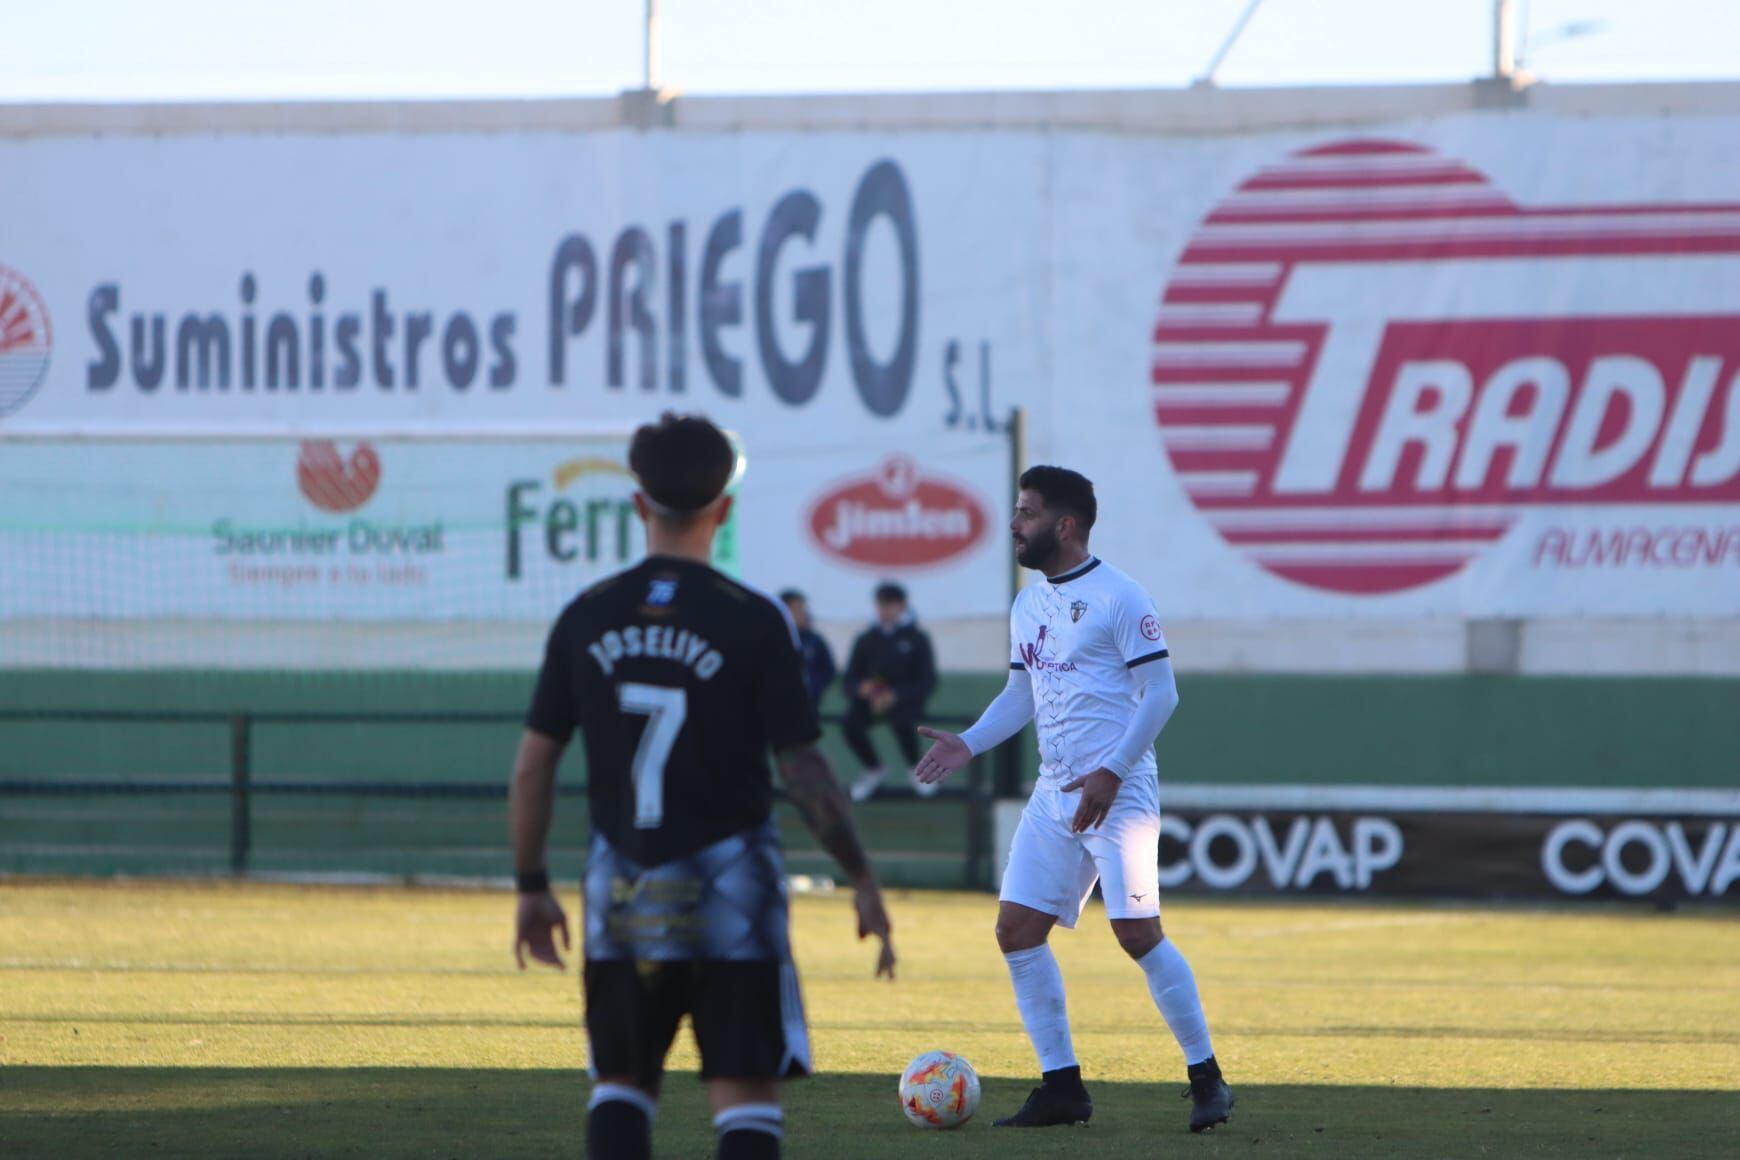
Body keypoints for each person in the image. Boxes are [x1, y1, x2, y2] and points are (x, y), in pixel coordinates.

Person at [509, 413, 896, 1160]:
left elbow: (533, 765)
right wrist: (860, 875)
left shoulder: (585, 618)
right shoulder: (755, 621)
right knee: (746, 1099)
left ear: (637, 504)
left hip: (622, 886)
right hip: (734, 895)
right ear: (724, 509)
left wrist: (530, 884)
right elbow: (805, 768)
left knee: (620, 1086)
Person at [912, 465, 1233, 1134]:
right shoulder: (1028, 604)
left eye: (1025, 513)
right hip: (1052, 792)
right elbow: (1022, 693)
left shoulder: (1121, 596)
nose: (1013, 524)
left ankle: (1208, 1080)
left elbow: (1162, 694)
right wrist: (968, 744)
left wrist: (1112, 771)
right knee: (1016, 931)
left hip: (1119, 790)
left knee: (1136, 932)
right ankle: (1063, 1089)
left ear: (1063, 525)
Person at [841, 582, 939, 801]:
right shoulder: (866, 639)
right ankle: (873, 768)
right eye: (881, 604)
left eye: (890, 604)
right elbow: (849, 679)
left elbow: (927, 681)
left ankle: (917, 769)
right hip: (870, 703)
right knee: (850, 723)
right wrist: (861, 689)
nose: (884, 610)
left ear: (902, 606)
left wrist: (896, 695)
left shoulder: (917, 639)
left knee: (903, 723)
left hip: (904, 703)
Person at [778, 588, 836, 711]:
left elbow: (829, 670)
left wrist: (815, 687)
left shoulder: (815, 640)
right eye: (798, 609)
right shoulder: (772, 640)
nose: (804, 613)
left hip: (809, 702)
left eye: (804, 609)